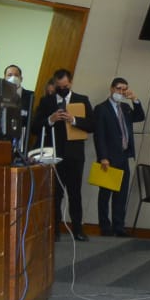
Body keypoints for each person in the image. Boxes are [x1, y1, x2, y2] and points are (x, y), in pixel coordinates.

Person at [31, 68, 94, 241]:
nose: (62, 89)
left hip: (75, 155)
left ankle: (78, 229)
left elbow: (92, 124)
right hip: (53, 154)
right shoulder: (47, 101)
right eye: (59, 87)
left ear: (71, 83)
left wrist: (73, 120)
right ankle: (55, 229)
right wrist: (50, 120)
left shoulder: (81, 100)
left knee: (75, 193)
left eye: (65, 86)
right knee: (55, 194)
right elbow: (34, 127)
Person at [93, 77, 145, 236]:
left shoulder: (126, 107)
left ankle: (119, 226)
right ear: (112, 89)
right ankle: (105, 226)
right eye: (119, 89)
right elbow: (99, 135)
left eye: (124, 89)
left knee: (121, 195)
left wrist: (135, 100)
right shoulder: (101, 108)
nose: (121, 92)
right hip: (108, 158)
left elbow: (140, 116)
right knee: (105, 194)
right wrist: (103, 157)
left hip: (124, 156)